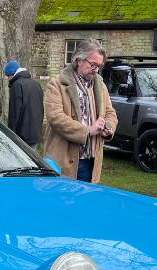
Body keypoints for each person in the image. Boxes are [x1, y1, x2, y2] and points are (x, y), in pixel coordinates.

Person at [44, 39, 117, 183]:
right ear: (79, 60)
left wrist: (108, 127)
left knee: (87, 203)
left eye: (99, 66)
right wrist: (88, 131)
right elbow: (55, 118)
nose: (96, 70)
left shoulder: (100, 85)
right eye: (93, 64)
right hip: (64, 159)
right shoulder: (57, 84)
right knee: (63, 203)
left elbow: (110, 113)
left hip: (92, 160)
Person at [3, 59, 44, 149]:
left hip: (21, 136)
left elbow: (14, 113)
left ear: (11, 75)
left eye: (7, 76)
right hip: (35, 132)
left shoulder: (17, 85)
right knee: (32, 161)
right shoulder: (36, 84)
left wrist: (11, 135)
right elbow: (41, 109)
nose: (8, 79)